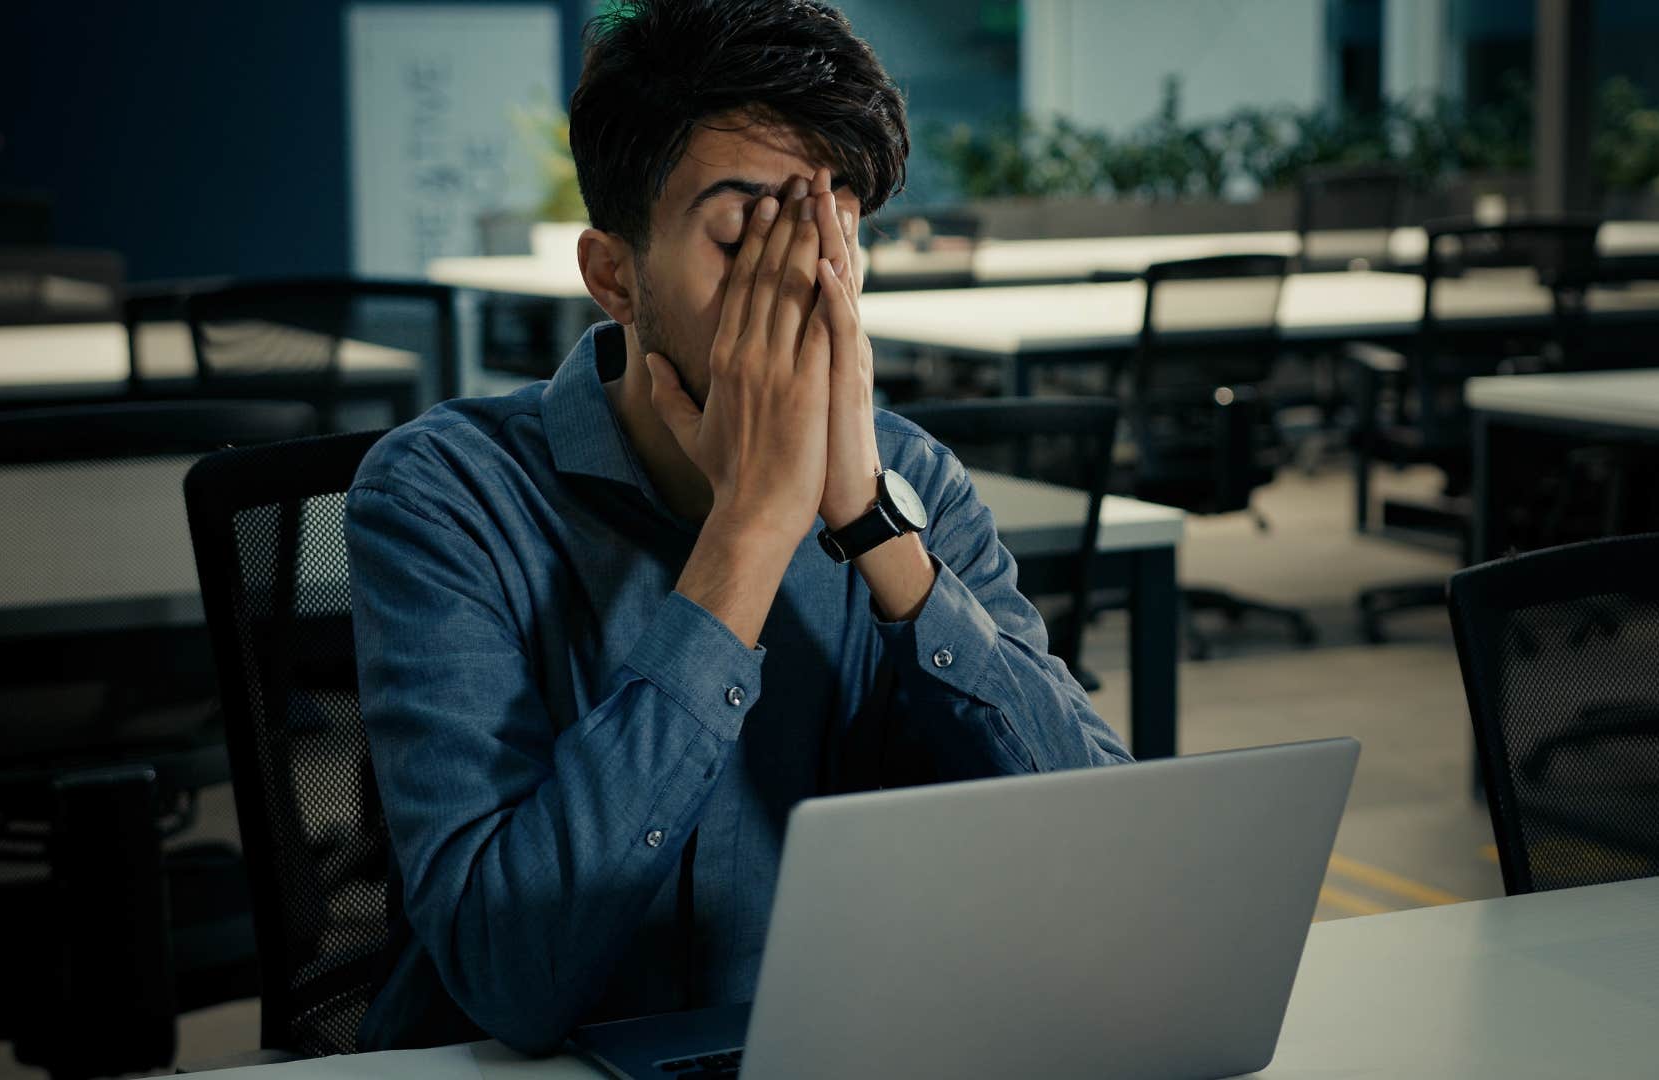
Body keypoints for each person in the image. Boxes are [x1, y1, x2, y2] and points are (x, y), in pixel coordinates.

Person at [345, 0, 1131, 1056]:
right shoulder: (443, 494)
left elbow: (1107, 866)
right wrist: (750, 530)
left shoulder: (914, 485)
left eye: (830, 227)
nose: (802, 279)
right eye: (742, 234)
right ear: (614, 275)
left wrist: (871, 527)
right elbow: (510, 976)